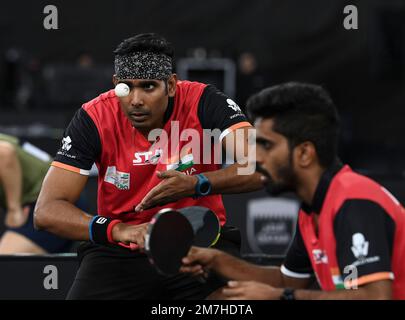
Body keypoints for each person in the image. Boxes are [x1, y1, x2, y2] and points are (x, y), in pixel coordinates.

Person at [34, 33, 262, 299]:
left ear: (172, 85)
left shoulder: (204, 101)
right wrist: (119, 230)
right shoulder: (93, 117)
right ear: (115, 84)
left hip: (198, 242)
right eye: (126, 88)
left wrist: (198, 184)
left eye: (149, 87)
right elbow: (46, 211)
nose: (136, 100)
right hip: (119, 249)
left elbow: (260, 167)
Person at [181, 82, 405, 300]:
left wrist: (283, 297)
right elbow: (286, 281)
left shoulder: (354, 202)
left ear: (304, 153)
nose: (256, 157)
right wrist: (217, 261)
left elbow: (376, 296)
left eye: (266, 145)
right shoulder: (312, 209)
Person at [0, 133, 74, 253]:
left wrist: (14, 208)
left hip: (52, 201)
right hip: (43, 198)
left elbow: (4, 153)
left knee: (5, 264)